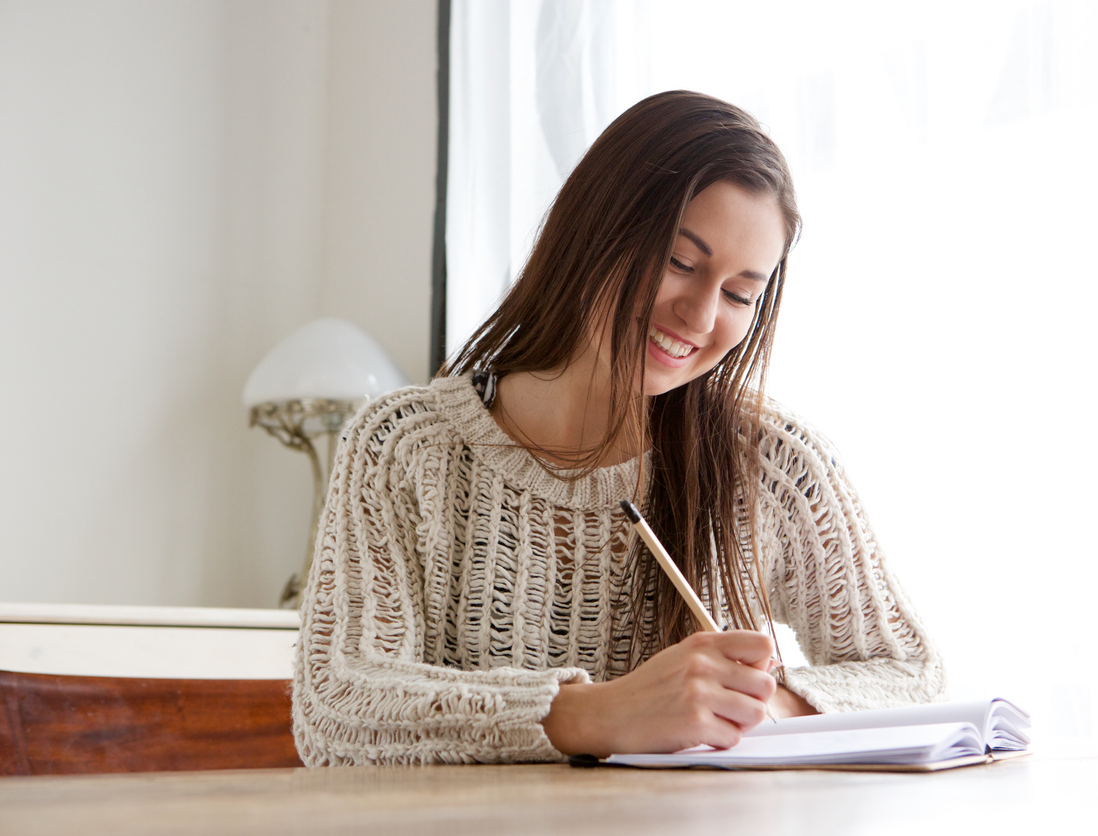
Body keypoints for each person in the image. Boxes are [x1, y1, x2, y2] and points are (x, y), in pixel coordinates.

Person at [291, 90, 945, 766]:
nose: (698, 316)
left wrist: (748, 706)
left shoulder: (775, 465)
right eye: (679, 263)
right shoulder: (403, 448)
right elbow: (338, 712)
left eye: (739, 293)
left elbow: (912, 677)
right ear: (595, 229)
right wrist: (597, 715)